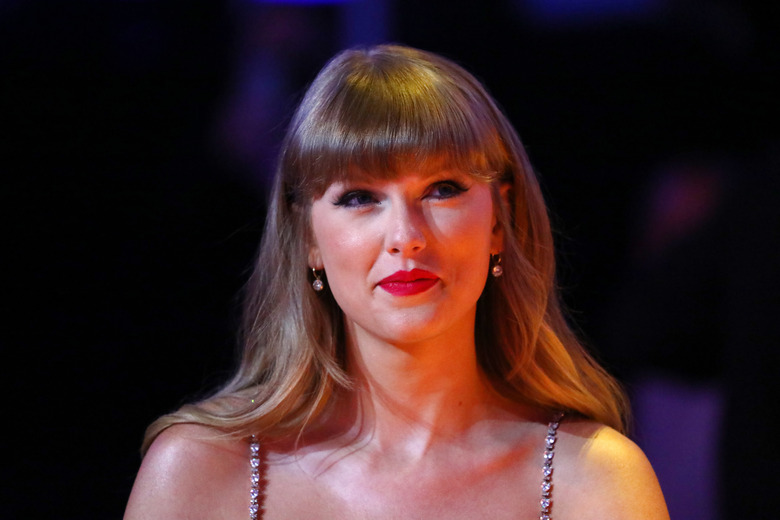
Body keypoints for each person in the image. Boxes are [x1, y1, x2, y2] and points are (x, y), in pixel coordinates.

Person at [124, 44, 668, 519]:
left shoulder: (594, 480)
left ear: (499, 221)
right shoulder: (200, 472)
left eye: (442, 189)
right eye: (360, 198)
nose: (406, 237)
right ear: (308, 238)